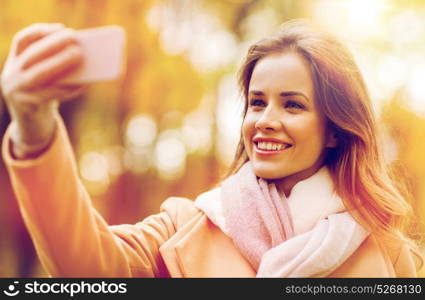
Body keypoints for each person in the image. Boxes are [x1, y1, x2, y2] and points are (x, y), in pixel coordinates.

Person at [0, 20, 423, 277]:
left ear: (335, 130)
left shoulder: (386, 250)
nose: (265, 119)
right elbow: (85, 266)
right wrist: (35, 129)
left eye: (292, 104)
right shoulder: (186, 226)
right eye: (257, 102)